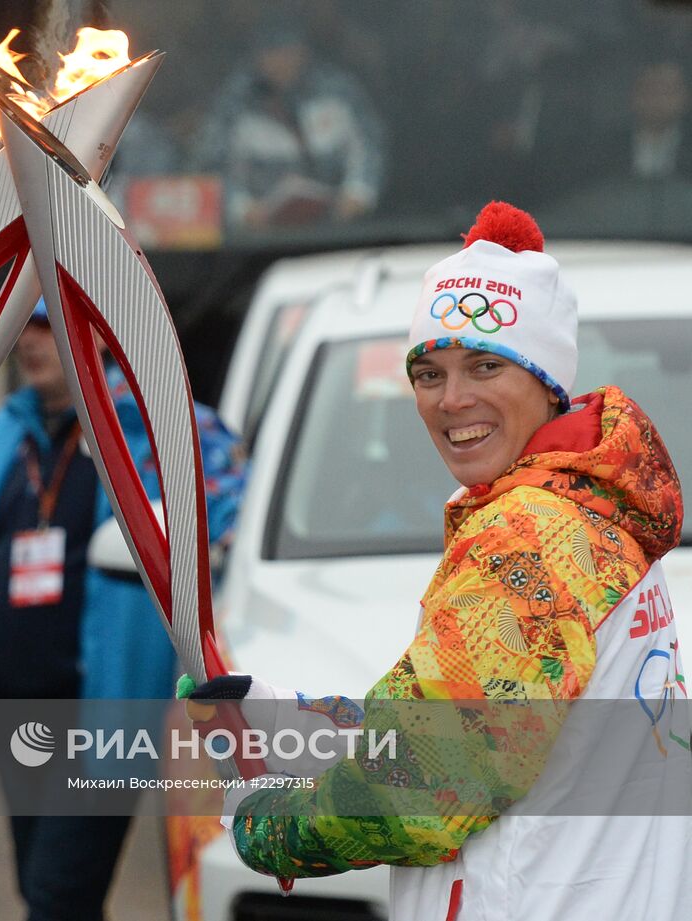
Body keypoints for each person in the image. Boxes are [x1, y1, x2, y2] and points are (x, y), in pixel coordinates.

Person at [182, 202, 690, 921]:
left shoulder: (530, 540)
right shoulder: (595, 513)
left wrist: (274, 827)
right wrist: (289, 718)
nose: (453, 400)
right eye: (429, 372)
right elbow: (486, 726)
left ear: (548, 381)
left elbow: (424, 790)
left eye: (486, 365)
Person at [0, 302, 246, 921]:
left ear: (98, 337)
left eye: (51, 325)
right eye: (25, 326)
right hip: (19, 719)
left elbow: (231, 495)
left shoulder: (148, 422)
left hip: (101, 718)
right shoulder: (9, 429)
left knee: (57, 897)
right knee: (45, 893)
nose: (33, 342)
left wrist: (174, 517)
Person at [188, 16, 387, 231]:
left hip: (339, 232)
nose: (281, 61)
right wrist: (242, 209)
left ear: (304, 52)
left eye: (289, 51)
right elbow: (213, 167)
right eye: (272, 53)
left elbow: (370, 145)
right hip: (260, 241)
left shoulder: (339, 92)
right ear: (257, 57)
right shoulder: (234, 105)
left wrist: (358, 193)